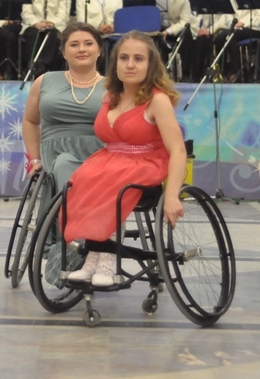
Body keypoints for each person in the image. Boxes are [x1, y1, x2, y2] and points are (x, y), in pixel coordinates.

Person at [66, 31, 186, 286]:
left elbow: (177, 150)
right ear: (115, 63)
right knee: (82, 178)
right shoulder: (110, 97)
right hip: (110, 159)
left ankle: (107, 263)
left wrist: (172, 195)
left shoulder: (158, 100)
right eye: (124, 58)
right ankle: (92, 260)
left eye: (138, 59)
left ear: (151, 65)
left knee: (110, 183)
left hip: (145, 162)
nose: (130, 64)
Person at [22, 24, 105, 197]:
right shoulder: (44, 81)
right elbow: (30, 121)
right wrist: (35, 159)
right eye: (74, 44)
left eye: (88, 43)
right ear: (63, 52)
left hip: (98, 153)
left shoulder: (113, 87)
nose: (81, 49)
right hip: (55, 154)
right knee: (64, 163)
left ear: (99, 50)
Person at [20, 0, 69, 76]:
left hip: (54, 25)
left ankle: (40, 66)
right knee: (32, 34)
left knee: (52, 34)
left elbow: (63, 14)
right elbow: (26, 11)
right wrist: (36, 23)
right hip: (34, 25)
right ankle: (35, 66)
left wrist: (50, 23)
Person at [194, 0, 234, 80]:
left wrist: (210, 30)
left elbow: (225, 17)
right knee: (199, 40)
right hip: (206, 29)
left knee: (220, 37)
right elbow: (198, 14)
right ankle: (198, 75)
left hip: (220, 28)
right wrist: (199, 29)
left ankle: (223, 72)